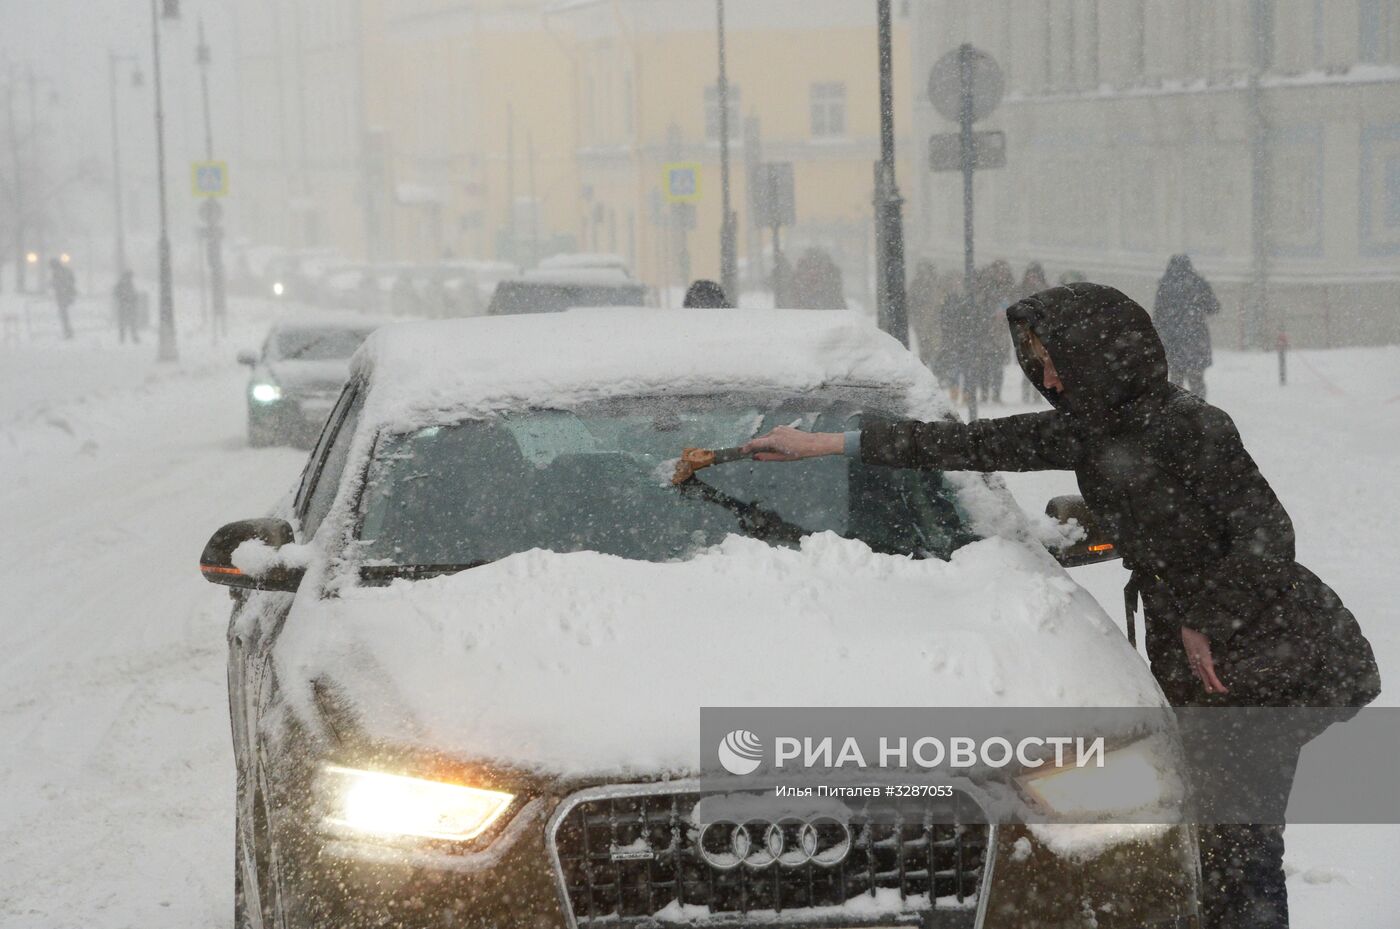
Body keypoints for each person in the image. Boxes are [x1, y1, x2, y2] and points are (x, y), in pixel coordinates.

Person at [741, 282, 1380, 929]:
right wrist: (825, 445)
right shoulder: (1091, 432)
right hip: (1204, 659)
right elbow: (971, 445)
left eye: (1053, 358)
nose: (1044, 374)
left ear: (1100, 356)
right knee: (1212, 842)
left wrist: (1204, 617)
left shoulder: (1193, 426)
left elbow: (1268, 533)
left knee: (1239, 845)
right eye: (1037, 359)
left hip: (1261, 651)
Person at [1153, 254, 1220, 398]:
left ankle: (1177, 414)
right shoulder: (1198, 283)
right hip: (1195, 338)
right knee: (1196, 380)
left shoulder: (1165, 285)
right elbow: (1214, 307)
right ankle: (1199, 412)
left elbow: (1158, 315)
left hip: (1173, 340)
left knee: (1176, 380)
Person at [1018, 263, 1049, 403]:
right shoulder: (1021, 291)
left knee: (1040, 364)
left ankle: (1038, 394)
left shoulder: (1045, 291)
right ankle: (1026, 393)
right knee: (1027, 363)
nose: (1032, 279)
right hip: (1026, 333)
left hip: (1039, 333)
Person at [50, 258, 77, 340]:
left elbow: (57, 283)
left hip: (62, 296)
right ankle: (68, 331)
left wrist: (53, 284)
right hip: (68, 294)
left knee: (63, 314)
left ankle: (68, 332)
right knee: (64, 314)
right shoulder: (66, 270)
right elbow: (72, 280)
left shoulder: (57, 273)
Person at [113, 271, 140, 344]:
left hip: (127, 306)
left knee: (129, 322)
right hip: (125, 306)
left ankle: (129, 337)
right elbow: (117, 293)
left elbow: (117, 293)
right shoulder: (123, 284)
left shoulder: (128, 283)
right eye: (130, 276)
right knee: (127, 322)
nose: (131, 278)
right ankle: (126, 337)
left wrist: (133, 298)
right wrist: (125, 298)